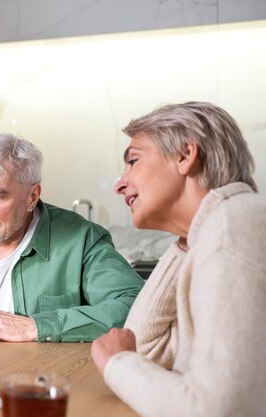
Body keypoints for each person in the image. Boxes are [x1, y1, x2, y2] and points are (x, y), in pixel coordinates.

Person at [91, 102, 266, 416]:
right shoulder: (217, 227)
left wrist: (118, 366)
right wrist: (185, 238)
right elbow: (146, 349)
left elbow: (218, 409)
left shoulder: (230, 229)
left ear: (185, 156)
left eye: (133, 161)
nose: (119, 184)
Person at [0, 133, 144, 343]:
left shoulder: (82, 240)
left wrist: (33, 326)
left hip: (42, 379)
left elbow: (136, 306)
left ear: (32, 196)